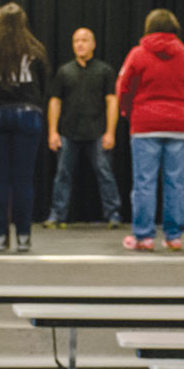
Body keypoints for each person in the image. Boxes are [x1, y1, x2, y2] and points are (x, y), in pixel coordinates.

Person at [115, 8, 184, 251]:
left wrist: (130, 113)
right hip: (179, 126)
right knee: (176, 183)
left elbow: (123, 88)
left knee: (144, 183)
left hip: (145, 126)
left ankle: (144, 237)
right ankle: (174, 237)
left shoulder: (138, 54)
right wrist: (183, 109)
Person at [0, 3, 48, 252]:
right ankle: (24, 237)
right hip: (27, 114)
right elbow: (43, 84)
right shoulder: (34, 48)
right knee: (23, 179)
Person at [44, 27, 121, 229]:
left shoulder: (104, 70)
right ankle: (57, 214)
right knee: (62, 174)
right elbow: (55, 102)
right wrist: (52, 132)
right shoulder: (64, 71)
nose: (79, 44)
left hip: (97, 132)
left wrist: (110, 132)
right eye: (76, 40)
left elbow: (112, 101)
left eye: (84, 40)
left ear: (93, 44)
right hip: (68, 133)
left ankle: (113, 214)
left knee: (105, 173)